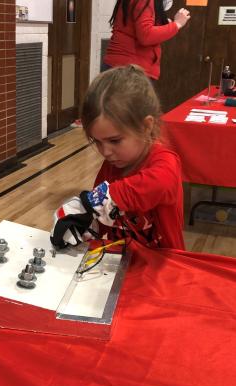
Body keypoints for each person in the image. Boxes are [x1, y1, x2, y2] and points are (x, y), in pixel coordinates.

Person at [51, 65, 184, 251]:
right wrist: (87, 224)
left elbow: (160, 184)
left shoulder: (164, 161)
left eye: (115, 140)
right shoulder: (110, 167)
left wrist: (107, 197)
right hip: (122, 259)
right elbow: (106, 215)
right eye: (97, 142)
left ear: (146, 126)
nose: (105, 152)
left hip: (163, 264)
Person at [102, 0, 191, 80]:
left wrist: (165, 25)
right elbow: (146, 36)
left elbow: (133, 26)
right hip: (130, 71)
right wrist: (177, 24)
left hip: (121, 67)